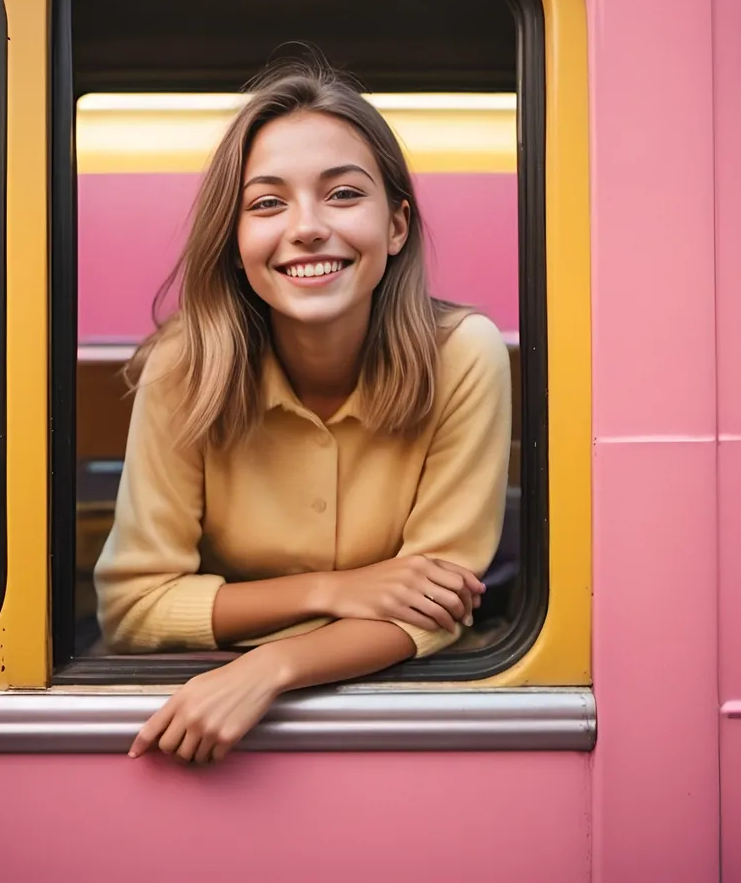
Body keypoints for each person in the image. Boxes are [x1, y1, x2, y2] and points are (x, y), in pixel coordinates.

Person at [94, 59, 511, 764]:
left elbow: (435, 608)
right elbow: (132, 609)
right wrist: (337, 591)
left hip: (412, 715)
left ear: (398, 225)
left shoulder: (465, 354)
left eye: (344, 194)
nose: (308, 228)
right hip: (215, 728)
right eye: (266, 204)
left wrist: (271, 666)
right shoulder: (182, 368)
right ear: (235, 243)